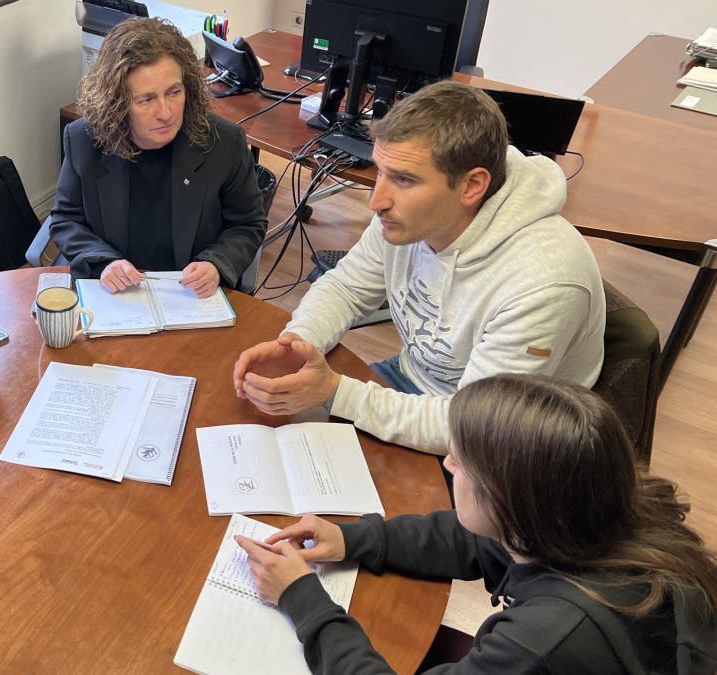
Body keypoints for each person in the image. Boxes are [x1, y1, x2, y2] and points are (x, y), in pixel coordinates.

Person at [236, 373, 717, 673]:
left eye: (462, 461)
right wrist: (352, 538)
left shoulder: (542, 641)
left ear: (510, 499)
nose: (448, 464)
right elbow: (474, 540)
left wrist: (302, 598)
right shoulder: (585, 515)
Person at [233, 80, 605, 454]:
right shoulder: (411, 217)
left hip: (501, 443)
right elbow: (346, 288)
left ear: (473, 185)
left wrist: (336, 393)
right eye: (380, 171)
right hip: (414, 381)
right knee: (268, 439)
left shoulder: (544, 283)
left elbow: (474, 428)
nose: (377, 201)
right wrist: (300, 342)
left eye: (404, 180)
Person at [49, 17, 266, 298]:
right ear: (117, 102)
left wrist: (216, 264)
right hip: (115, 292)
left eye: (174, 92)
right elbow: (66, 220)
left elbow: (248, 223)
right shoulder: (85, 140)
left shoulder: (224, 142)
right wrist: (103, 262)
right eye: (146, 100)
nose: (166, 112)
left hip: (189, 294)